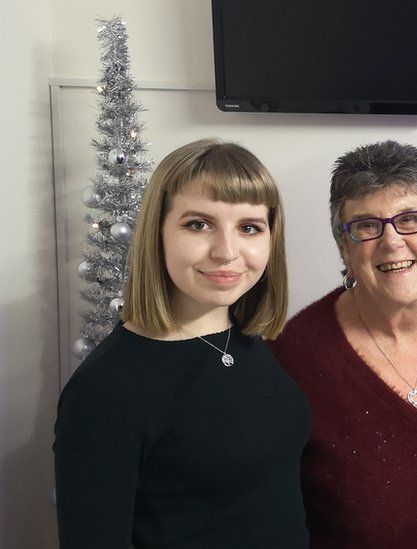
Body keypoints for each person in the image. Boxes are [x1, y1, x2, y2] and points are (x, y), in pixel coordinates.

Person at [54, 139, 310, 548]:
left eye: (249, 227)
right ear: (158, 233)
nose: (226, 252)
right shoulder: (105, 390)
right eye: (198, 224)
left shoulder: (244, 340)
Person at [269, 140, 417, 548]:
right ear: (344, 247)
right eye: (366, 226)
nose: (392, 241)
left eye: (411, 219)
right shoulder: (291, 362)